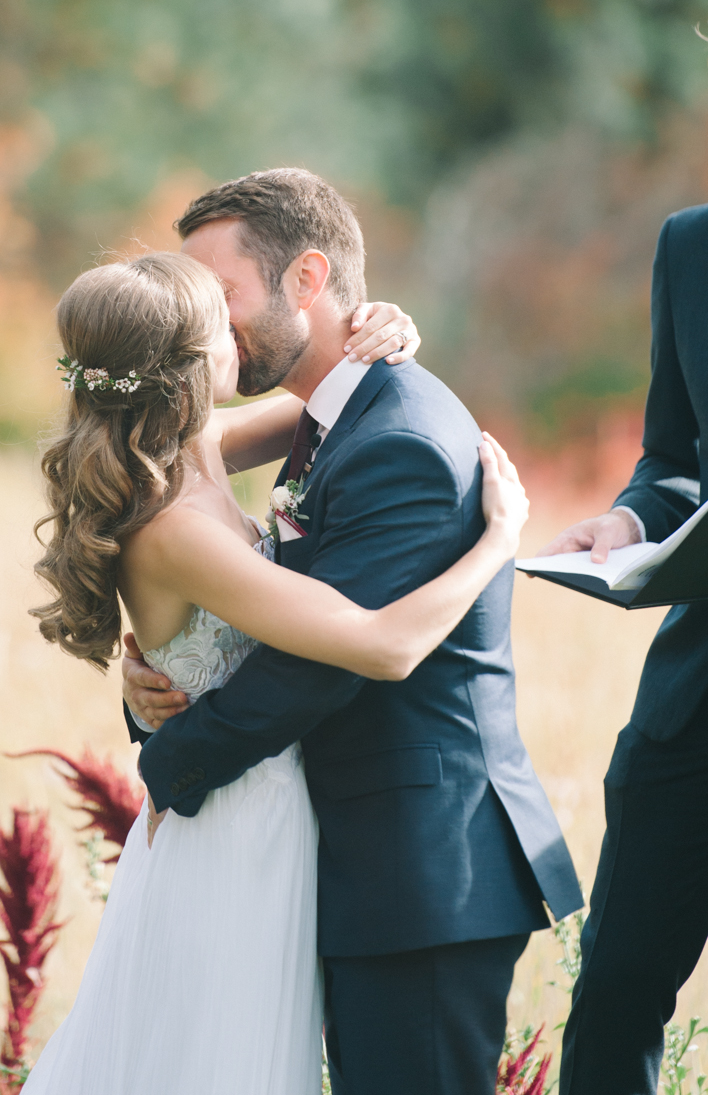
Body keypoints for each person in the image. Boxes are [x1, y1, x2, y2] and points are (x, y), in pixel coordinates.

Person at [21, 245, 532, 1095]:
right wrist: (497, 541)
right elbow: (385, 646)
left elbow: (342, 415)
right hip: (235, 830)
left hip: (260, 806)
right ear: (194, 367)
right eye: (224, 322)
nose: (243, 334)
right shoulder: (174, 525)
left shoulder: (194, 447)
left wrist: (383, 329)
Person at [122, 169, 583, 1095]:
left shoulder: (395, 439)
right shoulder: (336, 410)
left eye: (225, 297)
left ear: (306, 278)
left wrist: (172, 757)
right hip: (356, 858)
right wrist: (159, 684)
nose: (210, 326)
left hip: (421, 867)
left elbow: (323, 664)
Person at [535, 206, 708, 1095]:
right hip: (692, 713)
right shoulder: (690, 245)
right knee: (613, 997)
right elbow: (676, 459)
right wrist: (635, 516)